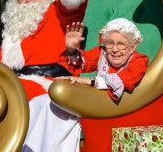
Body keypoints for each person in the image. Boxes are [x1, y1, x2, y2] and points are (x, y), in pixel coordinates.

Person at [21, 18, 148, 151]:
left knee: (56, 111)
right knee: (41, 102)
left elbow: (126, 79)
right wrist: (71, 50)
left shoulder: (139, 60)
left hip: (113, 108)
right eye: (110, 43)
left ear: (133, 47)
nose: (115, 49)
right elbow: (84, 62)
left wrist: (88, 81)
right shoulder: (103, 53)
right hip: (93, 99)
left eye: (121, 44)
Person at [0, 0, 88, 101]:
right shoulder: (14, 27)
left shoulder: (56, 11)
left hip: (51, 84)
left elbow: (75, 3)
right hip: (18, 82)